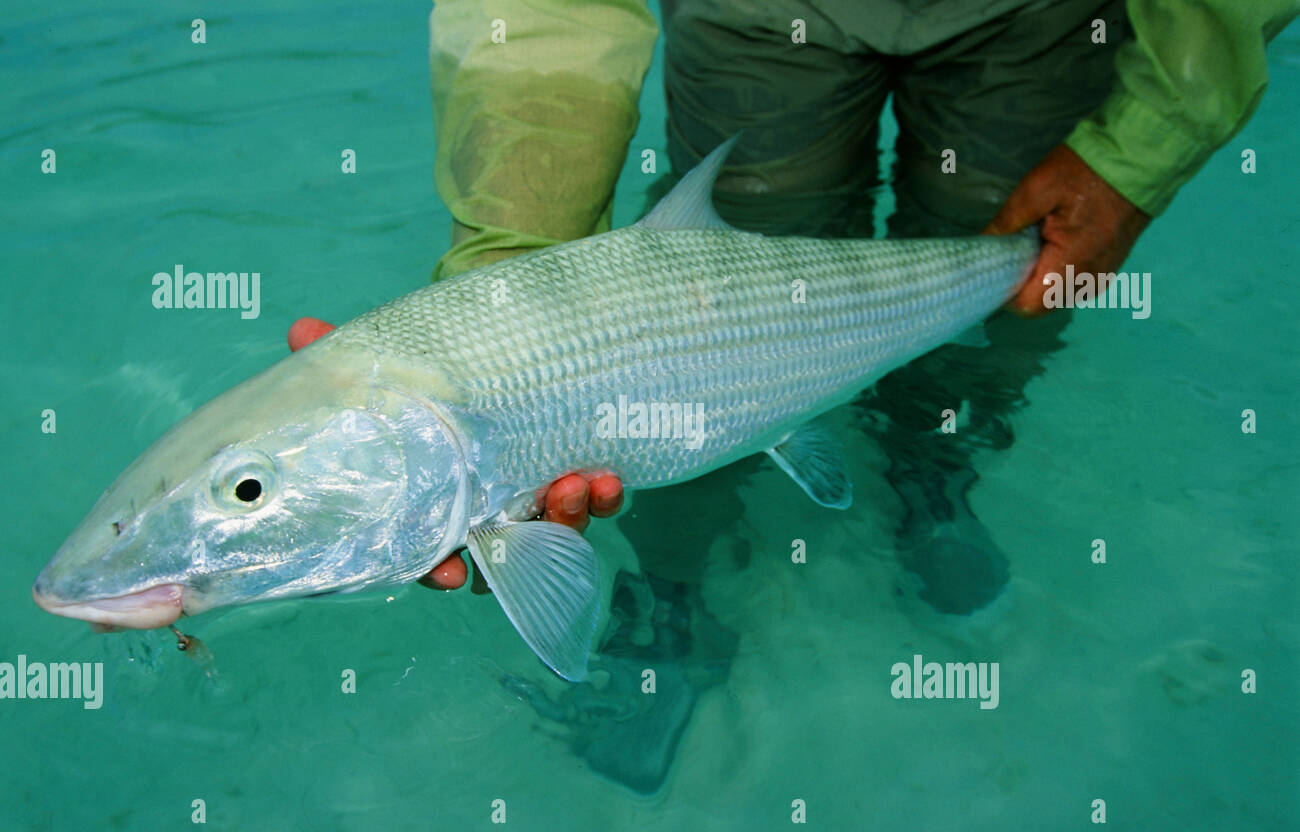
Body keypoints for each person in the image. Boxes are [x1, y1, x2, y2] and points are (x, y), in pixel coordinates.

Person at [297, 0, 1297, 610]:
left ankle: (933, 466)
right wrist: (507, 266)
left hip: (1040, 9)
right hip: (755, 8)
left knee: (1016, 261)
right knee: (684, 334)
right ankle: (676, 590)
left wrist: (1141, 149)